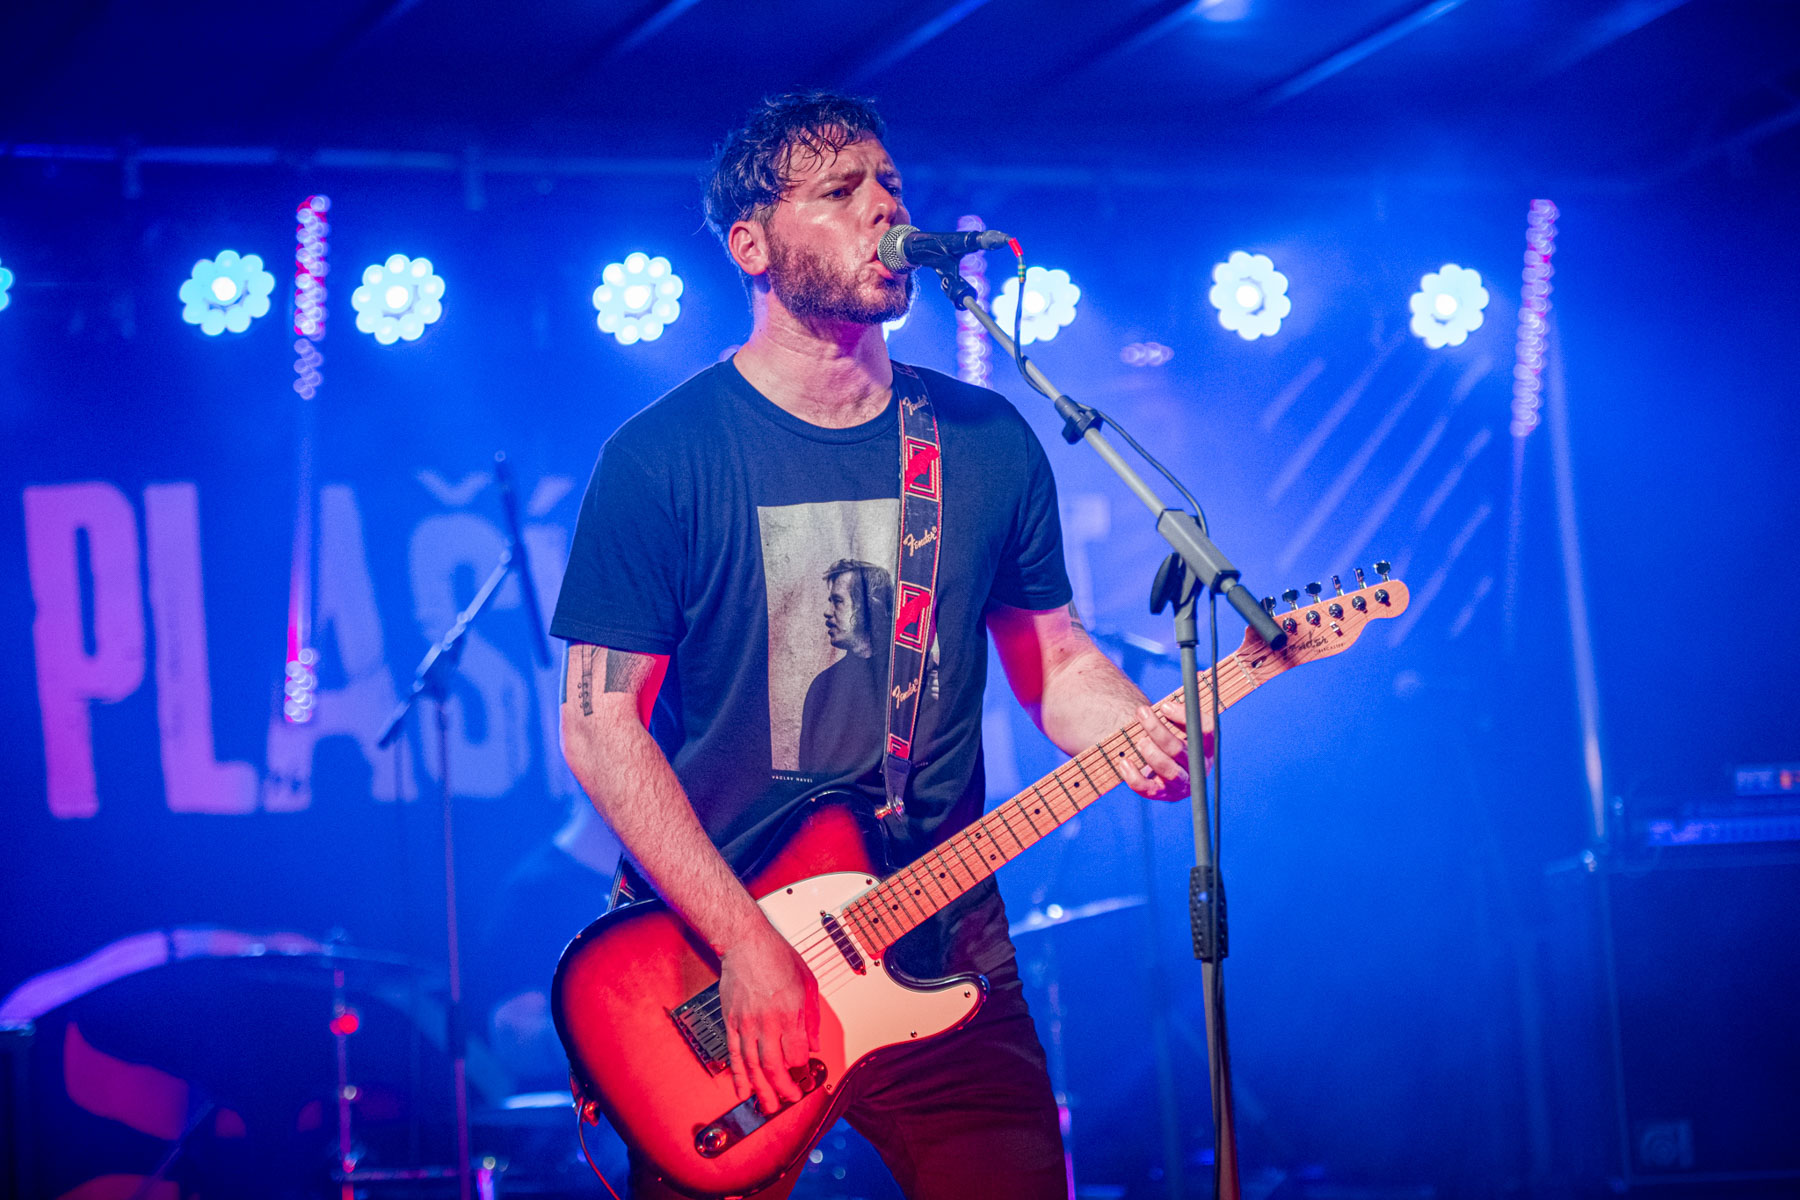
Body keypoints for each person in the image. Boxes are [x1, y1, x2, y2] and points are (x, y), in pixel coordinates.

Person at [551, 89, 1195, 1199]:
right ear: (752, 246)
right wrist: (744, 941)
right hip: (722, 948)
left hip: (945, 935)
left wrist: (1130, 728)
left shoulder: (984, 439)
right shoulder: (662, 459)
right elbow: (600, 727)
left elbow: (1055, 661)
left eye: (889, 183)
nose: (884, 207)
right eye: (839, 190)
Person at [797, 558, 892, 774]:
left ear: (867, 606)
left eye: (838, 601)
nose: (827, 612)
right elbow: (808, 772)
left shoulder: (905, 679)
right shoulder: (822, 686)